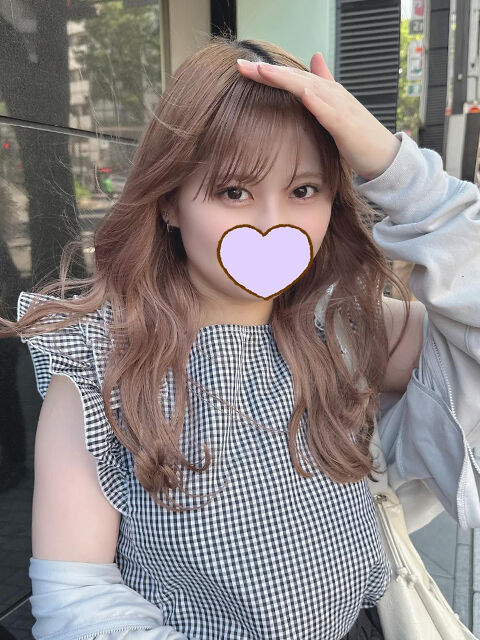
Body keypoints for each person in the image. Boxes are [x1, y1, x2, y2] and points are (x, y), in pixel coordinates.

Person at [2, 36, 480, 640]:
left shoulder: (342, 326)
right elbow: (79, 600)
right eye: (234, 192)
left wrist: (395, 168)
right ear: (170, 202)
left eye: (303, 190)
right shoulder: (101, 360)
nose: (272, 224)